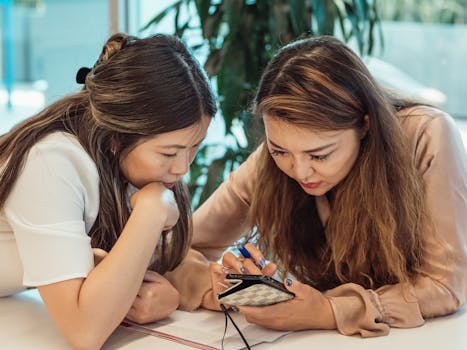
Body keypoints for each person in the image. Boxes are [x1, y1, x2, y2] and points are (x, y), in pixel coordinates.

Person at [192, 36, 467, 337]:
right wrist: (217, 282)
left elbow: (446, 284)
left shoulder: (427, 135)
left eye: (319, 155)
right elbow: (185, 244)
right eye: (279, 151)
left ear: (365, 125)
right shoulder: (278, 158)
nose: (299, 170)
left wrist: (329, 310)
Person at [0, 32, 216, 349]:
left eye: (194, 148)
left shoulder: (125, 164)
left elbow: (137, 267)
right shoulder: (51, 162)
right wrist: (151, 212)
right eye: (169, 153)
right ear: (116, 138)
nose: (183, 167)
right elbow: (84, 331)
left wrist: (167, 295)